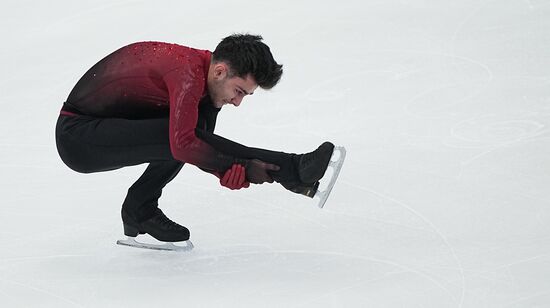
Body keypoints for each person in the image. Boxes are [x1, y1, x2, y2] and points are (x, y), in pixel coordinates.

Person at [55, 34, 335, 246]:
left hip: (114, 122)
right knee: (181, 137)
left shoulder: (207, 79)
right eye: (238, 91)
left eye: (245, 96)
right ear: (220, 71)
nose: (237, 103)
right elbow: (185, 145)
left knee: (189, 130)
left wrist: (227, 169)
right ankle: (293, 169)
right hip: (78, 136)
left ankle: (139, 210)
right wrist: (236, 165)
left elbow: (202, 143)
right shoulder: (188, 75)